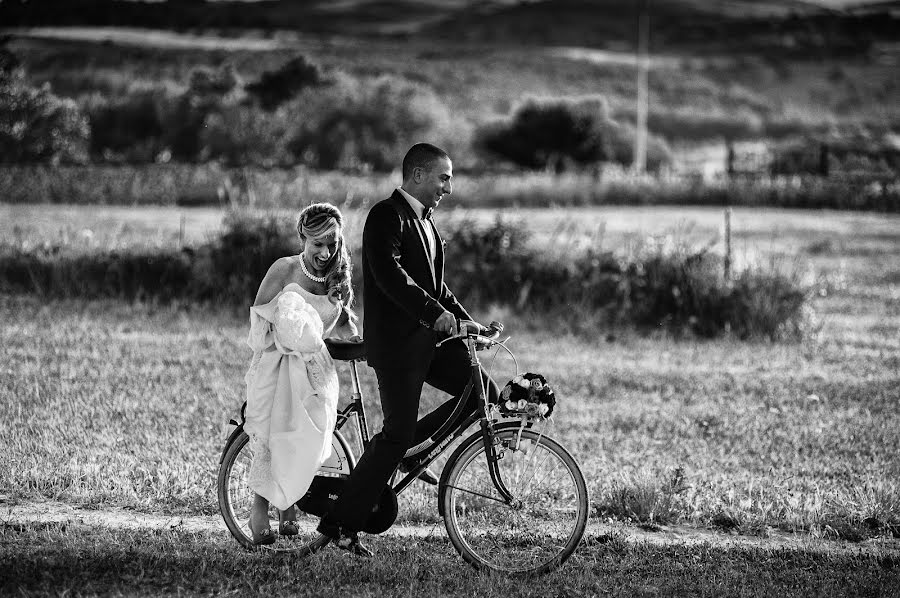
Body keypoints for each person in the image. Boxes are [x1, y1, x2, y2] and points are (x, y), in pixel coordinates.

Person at [317, 143, 500, 556]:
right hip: (398, 347)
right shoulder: (387, 215)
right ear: (418, 175)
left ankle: (407, 453)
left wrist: (467, 322)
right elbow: (388, 274)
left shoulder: (428, 223)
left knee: (483, 392)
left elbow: (438, 289)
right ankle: (341, 523)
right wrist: (433, 313)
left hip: (430, 343)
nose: (448, 188)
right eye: (443, 178)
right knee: (395, 434)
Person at [244, 203, 359, 546]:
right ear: (302, 239)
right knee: (273, 433)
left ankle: (290, 500)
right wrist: (286, 336)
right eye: (318, 244)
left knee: (303, 439)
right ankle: (260, 507)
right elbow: (258, 321)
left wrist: (353, 334)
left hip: (314, 369)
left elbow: (344, 321)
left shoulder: (338, 275)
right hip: (278, 363)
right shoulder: (284, 269)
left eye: (333, 243)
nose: (326, 253)